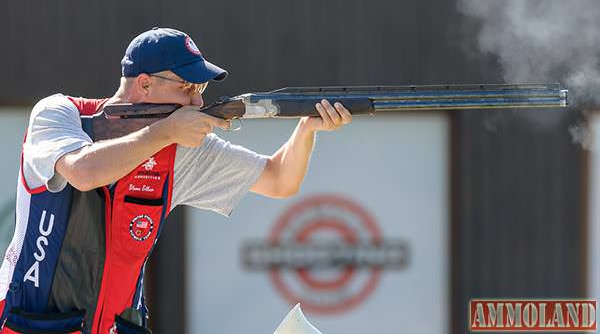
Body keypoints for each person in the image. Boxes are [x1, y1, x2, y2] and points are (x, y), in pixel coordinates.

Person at [0, 27, 351, 334]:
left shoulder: (180, 148)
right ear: (145, 84)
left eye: (199, 87)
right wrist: (165, 131)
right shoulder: (60, 113)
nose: (197, 100)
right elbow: (83, 172)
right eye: (187, 87)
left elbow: (279, 180)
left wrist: (307, 129)